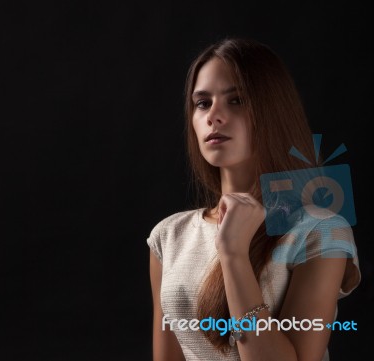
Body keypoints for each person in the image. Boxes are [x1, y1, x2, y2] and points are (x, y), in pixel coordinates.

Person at [147, 38, 360, 361]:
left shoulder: (321, 230)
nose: (213, 116)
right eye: (202, 103)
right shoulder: (169, 235)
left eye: (236, 100)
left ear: (272, 111)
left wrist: (233, 253)